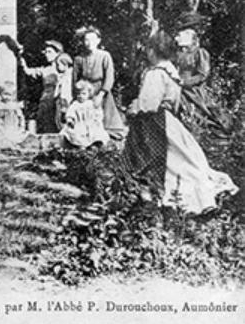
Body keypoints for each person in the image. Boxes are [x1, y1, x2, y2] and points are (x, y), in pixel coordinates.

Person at [123, 31, 237, 213]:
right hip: (169, 122)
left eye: (148, 50)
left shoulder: (156, 74)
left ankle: (152, 202)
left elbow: (148, 105)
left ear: (153, 51)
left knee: (159, 163)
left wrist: (133, 108)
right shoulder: (171, 72)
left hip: (153, 124)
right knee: (183, 162)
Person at [72, 27, 126, 140]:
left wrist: (101, 94)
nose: (89, 43)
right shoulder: (79, 59)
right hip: (85, 92)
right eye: (86, 40)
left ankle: (107, 138)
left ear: (98, 41)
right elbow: (75, 80)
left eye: (92, 39)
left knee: (108, 122)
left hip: (101, 91)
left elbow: (109, 77)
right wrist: (78, 95)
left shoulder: (104, 56)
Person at [20, 40, 64, 133]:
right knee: (44, 122)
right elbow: (28, 71)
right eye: (46, 52)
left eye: (50, 52)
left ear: (57, 53)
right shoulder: (46, 70)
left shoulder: (63, 70)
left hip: (58, 100)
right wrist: (21, 58)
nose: (47, 54)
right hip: (45, 100)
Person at [61, 79, 110, 149]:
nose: (80, 96)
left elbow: (97, 113)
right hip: (78, 124)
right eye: (78, 94)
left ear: (89, 94)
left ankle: (94, 145)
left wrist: (97, 120)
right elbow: (70, 113)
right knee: (74, 134)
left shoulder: (90, 104)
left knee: (96, 134)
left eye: (83, 94)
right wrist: (70, 120)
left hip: (90, 124)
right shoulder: (75, 104)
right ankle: (80, 145)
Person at [55, 52, 74, 129]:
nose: (57, 67)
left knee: (66, 119)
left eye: (58, 65)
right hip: (60, 101)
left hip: (65, 101)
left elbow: (65, 91)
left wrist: (64, 103)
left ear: (65, 65)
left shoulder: (69, 76)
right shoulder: (63, 76)